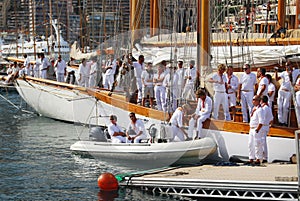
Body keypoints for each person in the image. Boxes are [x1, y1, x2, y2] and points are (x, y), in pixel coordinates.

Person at [246, 95, 264, 165]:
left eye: (254, 100)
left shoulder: (260, 110)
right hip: (251, 128)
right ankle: (251, 158)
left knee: (257, 144)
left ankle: (258, 158)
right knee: (250, 144)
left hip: (256, 129)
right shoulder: (254, 108)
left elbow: (261, 121)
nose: (253, 101)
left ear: (258, 101)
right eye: (253, 99)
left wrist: (257, 129)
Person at [260, 95, 273, 163]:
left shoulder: (264, 108)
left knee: (262, 142)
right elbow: (271, 119)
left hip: (263, 126)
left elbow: (262, 118)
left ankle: (264, 157)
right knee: (263, 141)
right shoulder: (268, 108)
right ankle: (263, 156)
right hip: (266, 126)